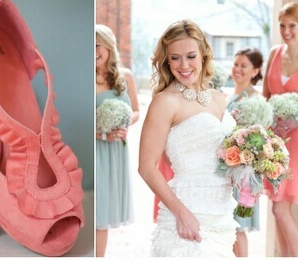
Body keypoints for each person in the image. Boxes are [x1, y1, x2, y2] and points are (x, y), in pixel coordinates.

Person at [139, 19, 236, 257]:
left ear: (203, 55)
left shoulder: (218, 98)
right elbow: (146, 168)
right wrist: (182, 215)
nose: (183, 65)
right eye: (175, 58)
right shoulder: (165, 102)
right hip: (187, 211)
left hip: (221, 212)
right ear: (166, 60)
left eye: (191, 56)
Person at [96, 24, 139, 258]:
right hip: (97, 148)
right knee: (95, 208)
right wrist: (101, 133)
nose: (93, 51)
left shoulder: (125, 77)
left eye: (97, 45)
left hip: (115, 150)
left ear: (108, 46)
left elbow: (135, 111)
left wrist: (124, 124)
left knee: (103, 215)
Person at [263, 2, 298, 258]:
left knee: (280, 208)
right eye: (282, 25)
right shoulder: (274, 53)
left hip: (296, 143)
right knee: (277, 207)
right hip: (274, 141)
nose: (287, 31)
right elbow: (265, 98)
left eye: (292, 26)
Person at [227, 48, 264, 258]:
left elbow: (260, 139)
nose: (237, 69)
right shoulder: (230, 95)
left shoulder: (255, 100)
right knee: (229, 226)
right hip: (228, 168)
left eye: (243, 66)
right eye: (235, 64)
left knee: (238, 225)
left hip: (245, 176)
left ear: (255, 70)